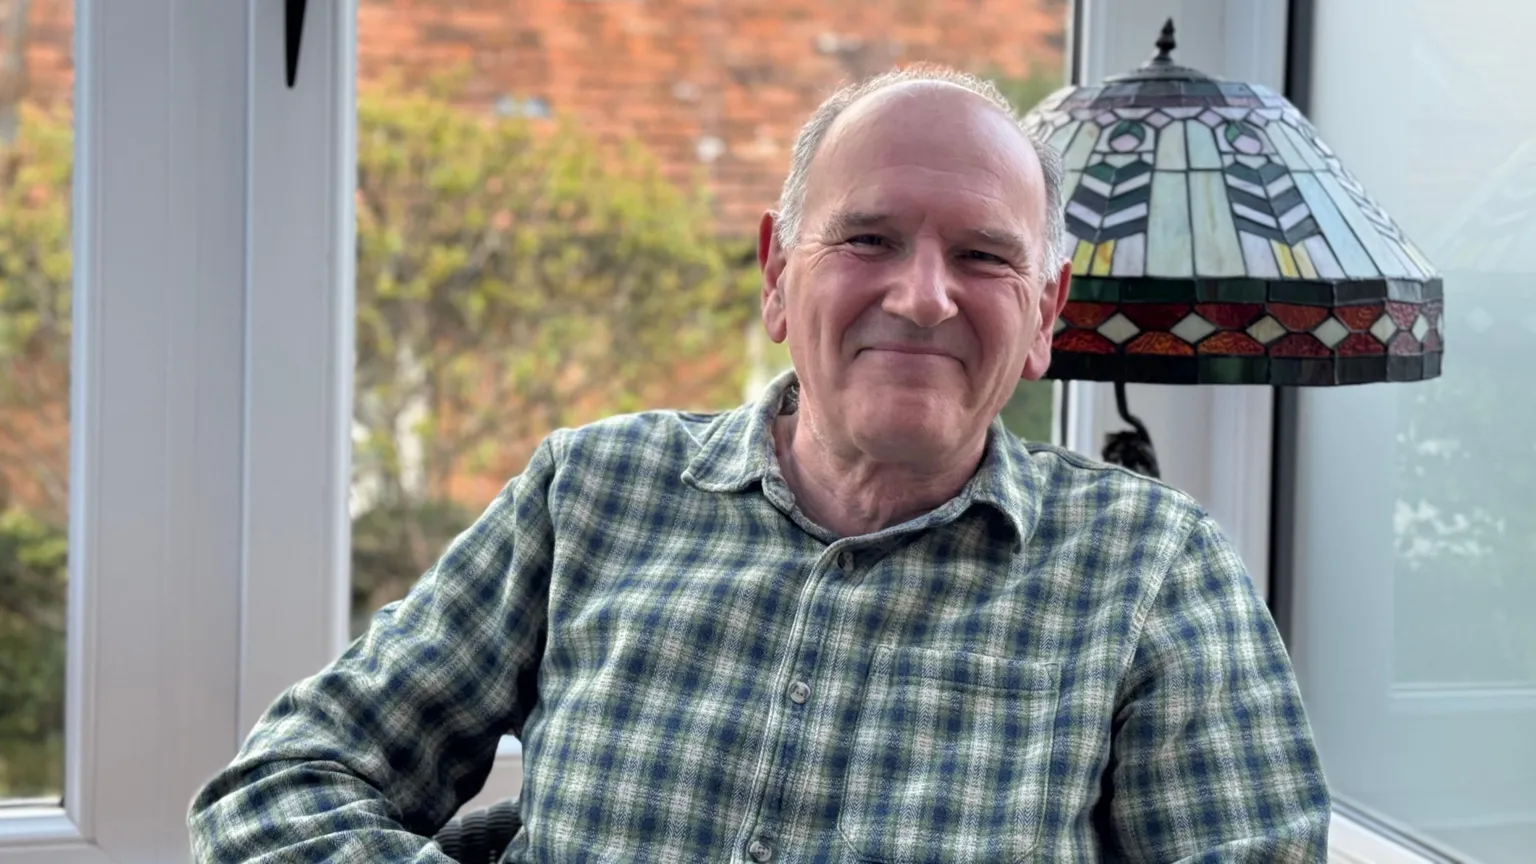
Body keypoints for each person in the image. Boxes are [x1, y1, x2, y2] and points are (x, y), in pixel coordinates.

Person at [189, 65, 1330, 862]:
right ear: (780, 273)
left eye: (982, 254)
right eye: (868, 238)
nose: (922, 294)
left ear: (1045, 314)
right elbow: (283, 788)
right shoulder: (590, 493)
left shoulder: (1151, 567)